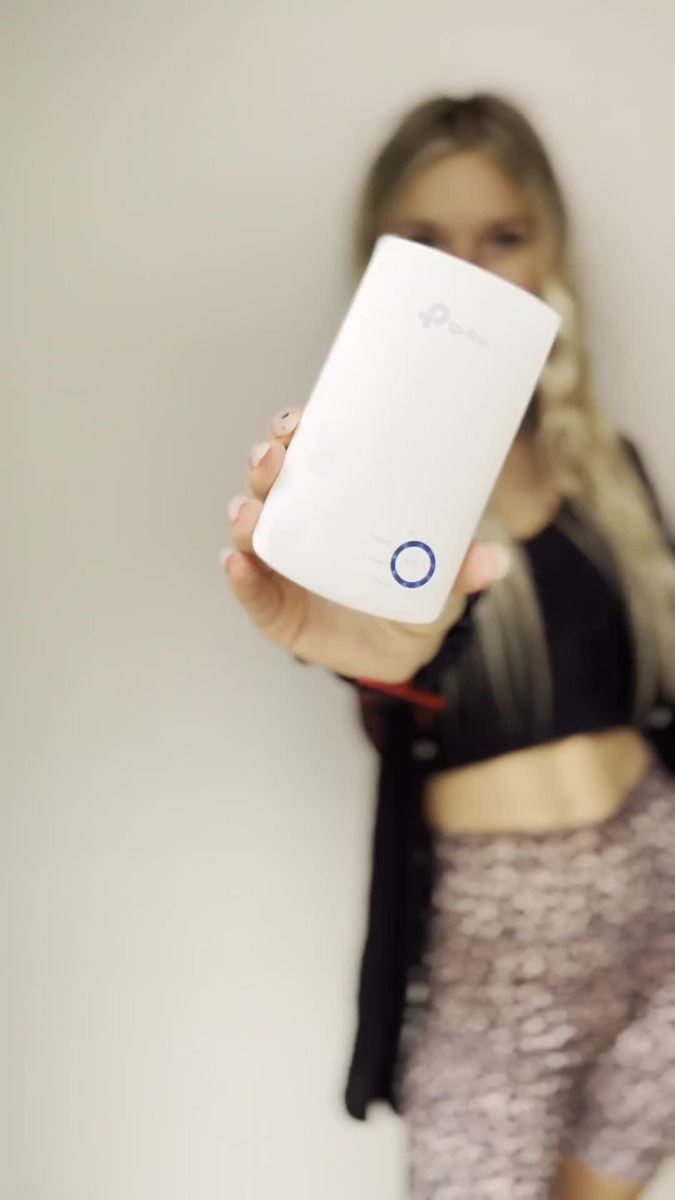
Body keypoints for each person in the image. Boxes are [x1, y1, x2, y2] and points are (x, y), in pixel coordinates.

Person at [221, 93, 675, 1200]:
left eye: (502, 236)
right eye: (427, 241)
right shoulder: (361, 495)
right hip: (491, 963)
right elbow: (390, 667)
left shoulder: (609, 472)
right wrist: (382, 649)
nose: (469, 271)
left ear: (548, 254)